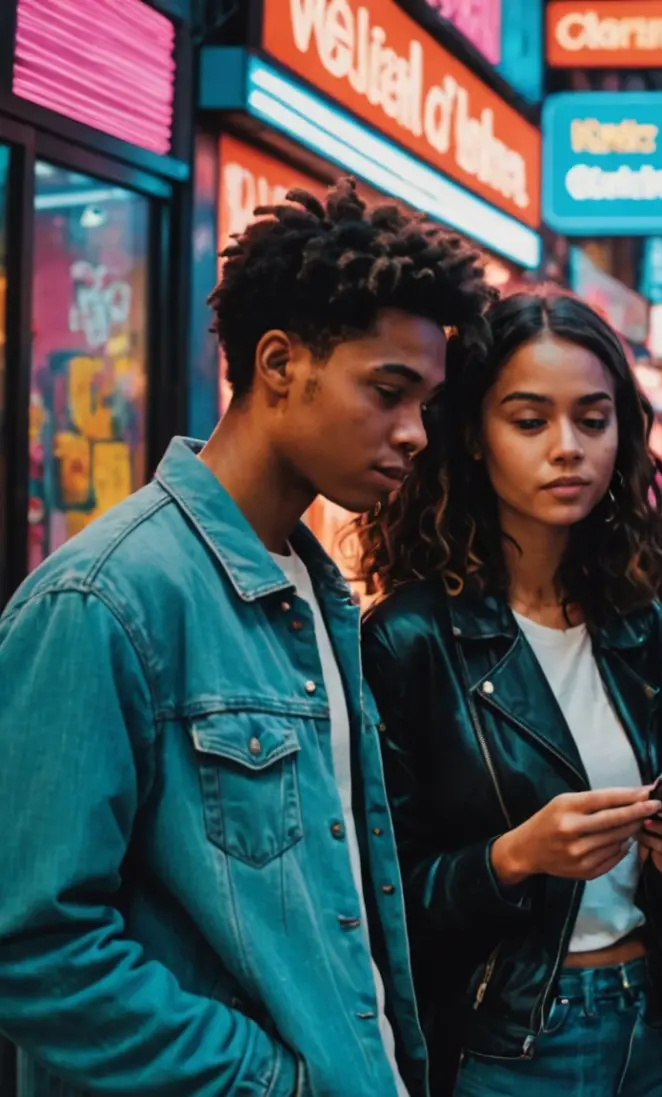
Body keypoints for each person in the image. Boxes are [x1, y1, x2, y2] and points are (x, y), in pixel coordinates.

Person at [0, 179, 493, 1094]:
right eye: (388, 392)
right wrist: (276, 1081)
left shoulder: (318, 593)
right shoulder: (104, 598)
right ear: (278, 362)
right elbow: (35, 947)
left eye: (423, 403)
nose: (415, 433)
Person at [358, 292, 662, 1097]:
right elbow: (379, 893)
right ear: (476, 439)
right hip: (511, 1038)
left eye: (593, 420)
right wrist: (515, 856)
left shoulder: (643, 625)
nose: (568, 449)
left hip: (654, 1022)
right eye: (530, 421)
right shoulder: (411, 639)